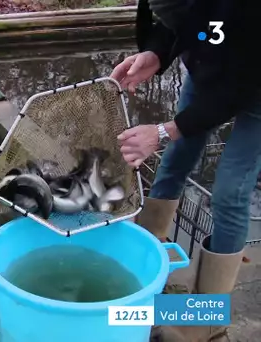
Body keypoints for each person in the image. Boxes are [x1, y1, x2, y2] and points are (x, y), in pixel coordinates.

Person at [111, 0, 259, 340]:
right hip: (212, 66)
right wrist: (155, 54)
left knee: (230, 193)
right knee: (174, 162)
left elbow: (237, 89)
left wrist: (164, 130)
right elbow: (181, 24)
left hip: (255, 83)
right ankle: (144, 265)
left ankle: (206, 318)